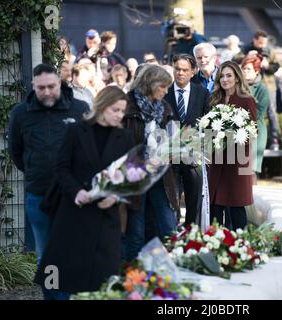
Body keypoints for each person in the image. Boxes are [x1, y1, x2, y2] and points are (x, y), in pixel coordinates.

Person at [34, 86, 135, 299]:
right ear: (102, 106)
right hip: (74, 212)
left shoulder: (124, 137)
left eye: (122, 111)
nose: (120, 115)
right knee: (61, 273)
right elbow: (62, 167)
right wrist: (77, 192)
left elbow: (129, 177)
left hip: (106, 217)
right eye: (115, 110)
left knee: (103, 275)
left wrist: (116, 196)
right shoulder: (76, 131)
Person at [8, 64, 89, 267]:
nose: (47, 92)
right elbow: (16, 152)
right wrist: (35, 169)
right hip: (39, 193)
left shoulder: (80, 109)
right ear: (33, 86)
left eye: (51, 86)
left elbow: (89, 149)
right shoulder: (20, 113)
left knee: (74, 251)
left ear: (60, 83)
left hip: (72, 195)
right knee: (46, 255)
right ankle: (53, 295)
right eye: (41, 88)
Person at [123, 65, 180, 262]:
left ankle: (173, 273)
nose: (166, 91)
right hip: (135, 177)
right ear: (151, 83)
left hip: (161, 177)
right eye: (163, 86)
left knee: (169, 227)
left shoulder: (165, 108)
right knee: (135, 232)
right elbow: (120, 143)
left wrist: (169, 151)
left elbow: (175, 139)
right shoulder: (127, 106)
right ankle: (129, 278)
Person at [209, 61, 257, 230]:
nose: (225, 79)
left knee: (237, 206)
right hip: (217, 161)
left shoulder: (247, 100)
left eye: (229, 75)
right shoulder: (215, 99)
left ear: (237, 78)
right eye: (221, 76)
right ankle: (214, 245)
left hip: (237, 161)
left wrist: (232, 140)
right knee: (215, 207)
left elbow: (251, 132)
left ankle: (241, 246)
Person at [164, 54, 210, 225]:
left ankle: (191, 235)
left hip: (193, 157)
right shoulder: (164, 92)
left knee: (193, 200)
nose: (180, 73)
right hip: (170, 157)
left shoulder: (202, 93)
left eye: (185, 70)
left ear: (193, 72)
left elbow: (207, 122)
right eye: (177, 69)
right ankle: (171, 234)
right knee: (171, 200)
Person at [241, 55, 269, 177]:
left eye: (248, 69)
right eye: (243, 69)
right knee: (239, 171)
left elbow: (259, 113)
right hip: (239, 132)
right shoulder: (237, 86)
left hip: (256, 131)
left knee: (250, 170)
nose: (245, 72)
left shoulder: (262, 89)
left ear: (256, 71)